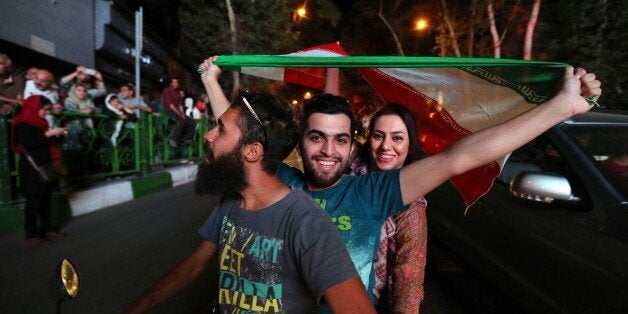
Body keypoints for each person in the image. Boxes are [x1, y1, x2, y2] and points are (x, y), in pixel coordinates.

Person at [201, 56, 602, 304]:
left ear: (351, 144)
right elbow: (236, 141)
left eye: (340, 139)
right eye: (316, 137)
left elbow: (459, 157)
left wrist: (561, 106)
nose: (328, 151)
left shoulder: (374, 193)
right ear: (300, 144)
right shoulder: (282, 183)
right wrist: (210, 82)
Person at [121, 88, 374, 313]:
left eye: (220, 129)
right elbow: (194, 264)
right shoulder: (232, 201)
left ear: (252, 151)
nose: (209, 136)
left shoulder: (306, 222)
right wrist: (138, 306)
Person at [351, 104, 427, 312]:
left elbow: (409, 270)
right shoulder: (345, 175)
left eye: (397, 138)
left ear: (410, 145)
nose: (386, 146)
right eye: (378, 136)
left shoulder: (411, 205)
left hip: (370, 303)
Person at [10, 95, 67, 245]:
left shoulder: (41, 122)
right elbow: (29, 144)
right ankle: (31, 234)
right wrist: (49, 134)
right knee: (34, 200)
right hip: (32, 167)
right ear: (34, 107)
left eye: (48, 110)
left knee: (46, 198)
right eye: (45, 110)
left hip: (46, 164)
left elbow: (47, 142)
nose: (46, 113)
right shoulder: (22, 122)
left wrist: (58, 134)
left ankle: (46, 228)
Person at [161, 78, 195, 147]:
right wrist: (180, 114)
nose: (176, 84)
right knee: (181, 121)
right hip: (169, 111)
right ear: (171, 83)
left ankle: (184, 139)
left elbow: (180, 105)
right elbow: (171, 105)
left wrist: (183, 114)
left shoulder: (178, 92)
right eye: (174, 82)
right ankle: (173, 139)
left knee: (192, 123)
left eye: (177, 82)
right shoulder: (167, 90)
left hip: (177, 111)